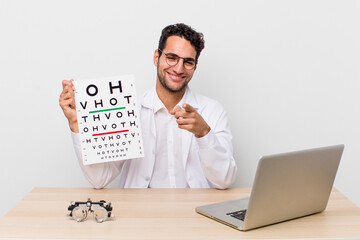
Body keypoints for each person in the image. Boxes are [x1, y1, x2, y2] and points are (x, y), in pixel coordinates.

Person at [59, 23, 237, 189]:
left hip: (194, 214)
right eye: (172, 57)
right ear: (156, 57)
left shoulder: (212, 111)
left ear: (195, 66)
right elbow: (99, 179)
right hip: (138, 214)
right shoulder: (129, 111)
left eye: (188, 62)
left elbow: (225, 180)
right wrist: (76, 124)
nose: (179, 68)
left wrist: (204, 133)